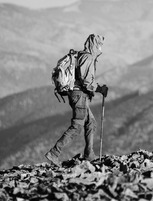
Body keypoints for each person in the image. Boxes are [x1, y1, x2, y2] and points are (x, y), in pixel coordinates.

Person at [45, 34, 108, 166]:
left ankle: (89, 154)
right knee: (76, 126)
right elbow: (86, 82)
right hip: (79, 95)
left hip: (79, 95)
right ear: (94, 44)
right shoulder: (88, 57)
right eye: (99, 45)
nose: (100, 48)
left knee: (91, 123)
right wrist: (99, 89)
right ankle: (54, 153)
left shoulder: (82, 55)